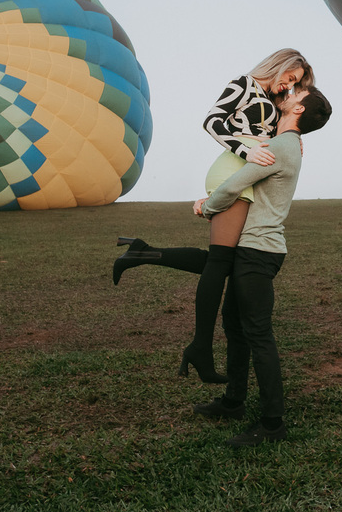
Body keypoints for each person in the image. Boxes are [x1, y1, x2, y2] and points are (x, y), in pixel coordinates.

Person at [112, 49, 314, 383]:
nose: (288, 87)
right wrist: (245, 149)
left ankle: (142, 252)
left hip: (245, 176)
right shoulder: (243, 84)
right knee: (221, 262)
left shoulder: (269, 98)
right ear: (282, 64)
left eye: (295, 84)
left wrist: (294, 137)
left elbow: (276, 130)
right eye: (290, 78)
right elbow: (211, 121)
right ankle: (200, 348)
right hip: (232, 172)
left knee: (225, 261)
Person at [191, 86, 332, 447]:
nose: (286, 91)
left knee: (257, 334)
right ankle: (234, 402)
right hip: (255, 249)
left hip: (258, 251)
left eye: (294, 91)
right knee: (235, 326)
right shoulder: (286, 144)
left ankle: (272, 425)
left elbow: (233, 186)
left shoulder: (280, 148)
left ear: (297, 107)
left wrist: (206, 208)